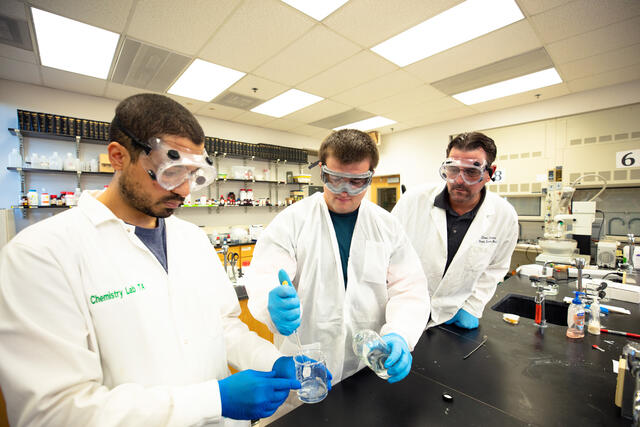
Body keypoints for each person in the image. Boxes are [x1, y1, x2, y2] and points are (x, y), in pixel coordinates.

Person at [0, 94, 300, 427]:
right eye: (171, 173)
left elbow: (224, 327)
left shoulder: (192, 240)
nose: (185, 191)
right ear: (118, 157)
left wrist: (271, 360)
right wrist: (213, 400)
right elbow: (52, 413)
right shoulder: (41, 255)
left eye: (193, 176)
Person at [245, 129, 429, 391]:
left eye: (357, 182)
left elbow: (409, 288)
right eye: (335, 178)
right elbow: (265, 276)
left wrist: (400, 332)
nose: (344, 191)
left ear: (370, 177)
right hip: (306, 363)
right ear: (322, 171)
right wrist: (270, 303)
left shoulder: (387, 226)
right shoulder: (291, 221)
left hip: (368, 364)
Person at [392, 132, 518, 330]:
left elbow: (494, 269)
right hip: (403, 310)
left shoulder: (504, 216)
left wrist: (472, 307)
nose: (459, 180)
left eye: (471, 172)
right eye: (452, 170)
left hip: (454, 314)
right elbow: (389, 254)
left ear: (489, 173)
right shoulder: (413, 201)